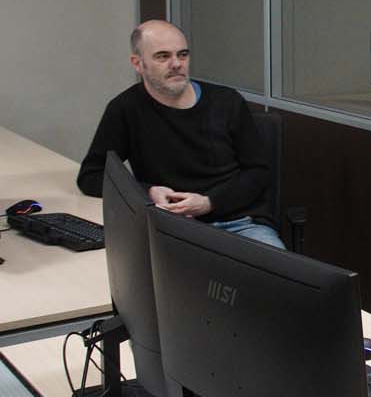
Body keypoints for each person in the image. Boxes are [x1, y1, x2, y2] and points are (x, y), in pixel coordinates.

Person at [77, 20, 285, 249]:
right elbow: (91, 177)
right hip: (170, 227)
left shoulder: (227, 102)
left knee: (280, 280)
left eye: (182, 55)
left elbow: (258, 172)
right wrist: (148, 192)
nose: (176, 64)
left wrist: (209, 202)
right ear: (138, 64)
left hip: (240, 223)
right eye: (163, 56)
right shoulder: (125, 109)